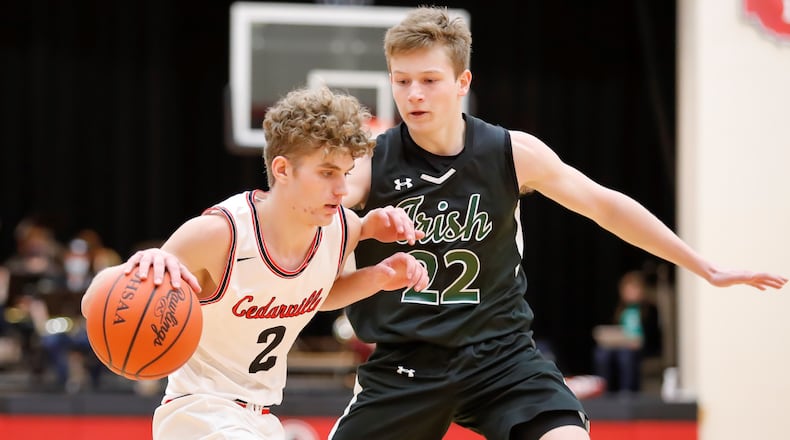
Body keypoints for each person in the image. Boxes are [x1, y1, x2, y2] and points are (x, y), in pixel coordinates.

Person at [328, 6, 788, 440]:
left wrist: (704, 267)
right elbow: (323, 214)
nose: (414, 94)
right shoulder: (370, 161)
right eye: (402, 80)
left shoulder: (510, 152)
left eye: (429, 79)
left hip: (500, 358)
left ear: (462, 80)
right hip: (406, 363)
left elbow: (604, 205)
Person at [80, 86, 429, 439]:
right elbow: (93, 301)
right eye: (326, 172)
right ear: (282, 169)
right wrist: (135, 268)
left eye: (345, 172)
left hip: (260, 419)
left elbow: (317, 293)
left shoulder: (340, 229)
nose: (341, 189)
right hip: (199, 413)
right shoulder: (220, 234)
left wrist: (380, 277)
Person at [593, 270, 662, 394]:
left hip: (641, 347)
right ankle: (604, 391)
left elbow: (654, 335)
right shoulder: (620, 309)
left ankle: (627, 392)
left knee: (626, 355)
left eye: (634, 289)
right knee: (601, 353)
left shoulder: (650, 310)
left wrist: (639, 342)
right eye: (627, 290)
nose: (630, 293)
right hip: (621, 344)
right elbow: (617, 330)